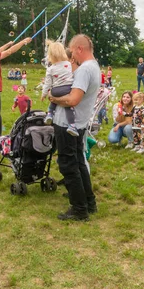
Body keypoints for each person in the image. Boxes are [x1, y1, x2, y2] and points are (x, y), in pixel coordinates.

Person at [48, 34, 100, 221]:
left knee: (68, 165)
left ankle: (79, 209)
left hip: (67, 125)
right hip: (79, 124)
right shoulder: (93, 66)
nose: (70, 56)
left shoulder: (85, 70)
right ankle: (89, 202)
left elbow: (73, 99)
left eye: (72, 50)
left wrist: (53, 99)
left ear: (79, 48)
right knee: (78, 163)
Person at [42, 41, 77, 136]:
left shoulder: (50, 68)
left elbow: (47, 84)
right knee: (68, 107)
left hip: (56, 90)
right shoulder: (69, 64)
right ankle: (72, 125)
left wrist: (44, 94)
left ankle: (50, 113)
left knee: (53, 99)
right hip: (68, 89)